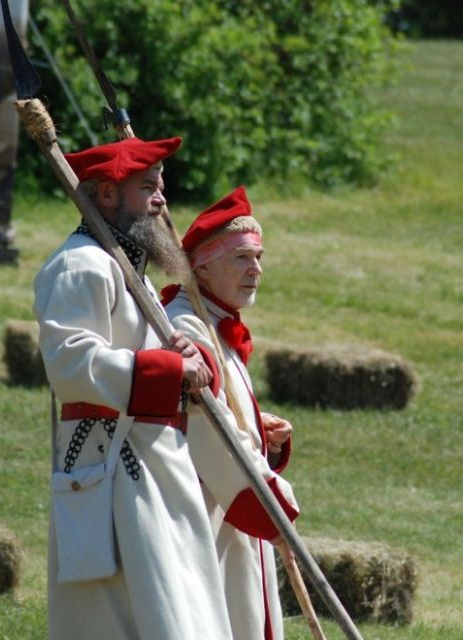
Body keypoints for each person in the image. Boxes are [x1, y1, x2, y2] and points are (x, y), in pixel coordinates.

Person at [33, 135, 233, 639]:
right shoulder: (80, 265)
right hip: (112, 470)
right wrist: (166, 371)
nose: (162, 199)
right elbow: (70, 361)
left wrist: (184, 359)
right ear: (106, 196)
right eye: (148, 188)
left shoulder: (129, 270)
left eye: (159, 186)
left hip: (152, 465)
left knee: (179, 606)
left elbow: (150, 351)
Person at [162, 186, 300, 640]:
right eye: (241, 258)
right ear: (201, 265)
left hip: (231, 513)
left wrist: (258, 429)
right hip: (209, 515)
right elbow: (204, 428)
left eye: (259, 257)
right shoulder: (188, 324)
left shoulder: (217, 322)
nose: (256, 269)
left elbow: (219, 410)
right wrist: (268, 501)